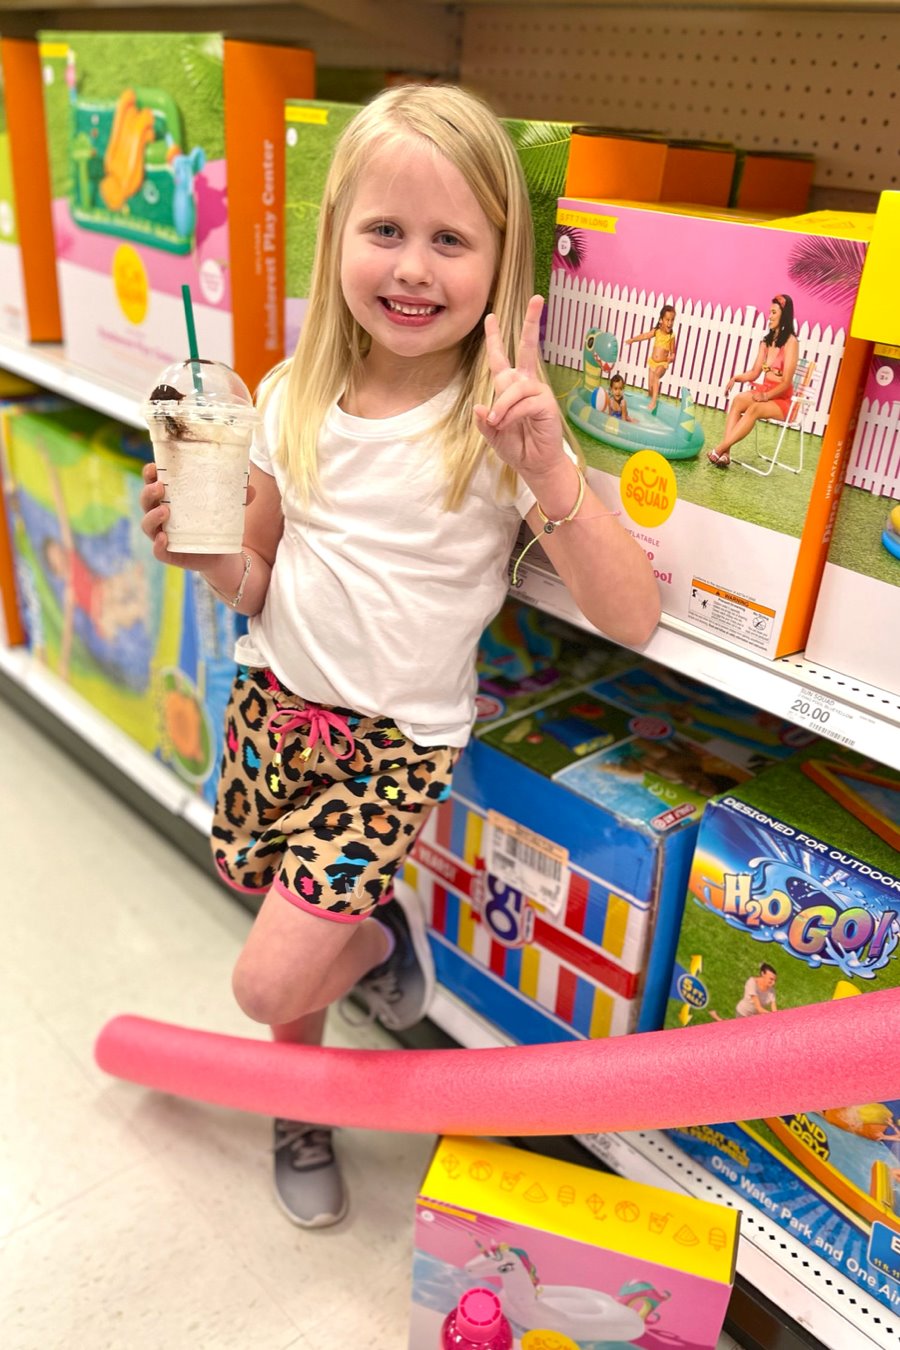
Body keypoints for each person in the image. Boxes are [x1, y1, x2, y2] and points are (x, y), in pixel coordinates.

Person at [139, 84, 660, 1231]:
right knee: (267, 900)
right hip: (271, 708)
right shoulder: (292, 395)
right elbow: (257, 582)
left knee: (268, 977)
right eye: (385, 230)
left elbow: (632, 618)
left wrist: (552, 465)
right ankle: (300, 1106)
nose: (413, 268)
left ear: (500, 261)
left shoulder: (497, 424)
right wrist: (203, 552)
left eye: (450, 240)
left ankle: (377, 941)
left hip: (390, 753)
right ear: (337, 239)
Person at [708, 294, 799, 467]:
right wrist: (736, 378)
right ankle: (726, 454)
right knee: (738, 400)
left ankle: (719, 449)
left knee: (754, 408)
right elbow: (755, 372)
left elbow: (786, 382)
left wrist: (765, 397)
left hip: (782, 400)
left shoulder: (791, 342)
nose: (769, 316)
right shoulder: (766, 342)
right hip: (765, 391)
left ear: (784, 315)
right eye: (769, 312)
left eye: (774, 312)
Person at [625, 305, 677, 412]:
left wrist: (670, 359)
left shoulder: (671, 336)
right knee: (650, 388)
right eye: (667, 320)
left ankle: (653, 402)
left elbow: (673, 353)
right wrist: (632, 340)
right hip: (652, 363)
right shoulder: (656, 331)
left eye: (672, 320)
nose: (670, 323)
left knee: (656, 376)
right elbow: (645, 336)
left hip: (662, 364)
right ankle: (650, 406)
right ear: (661, 320)